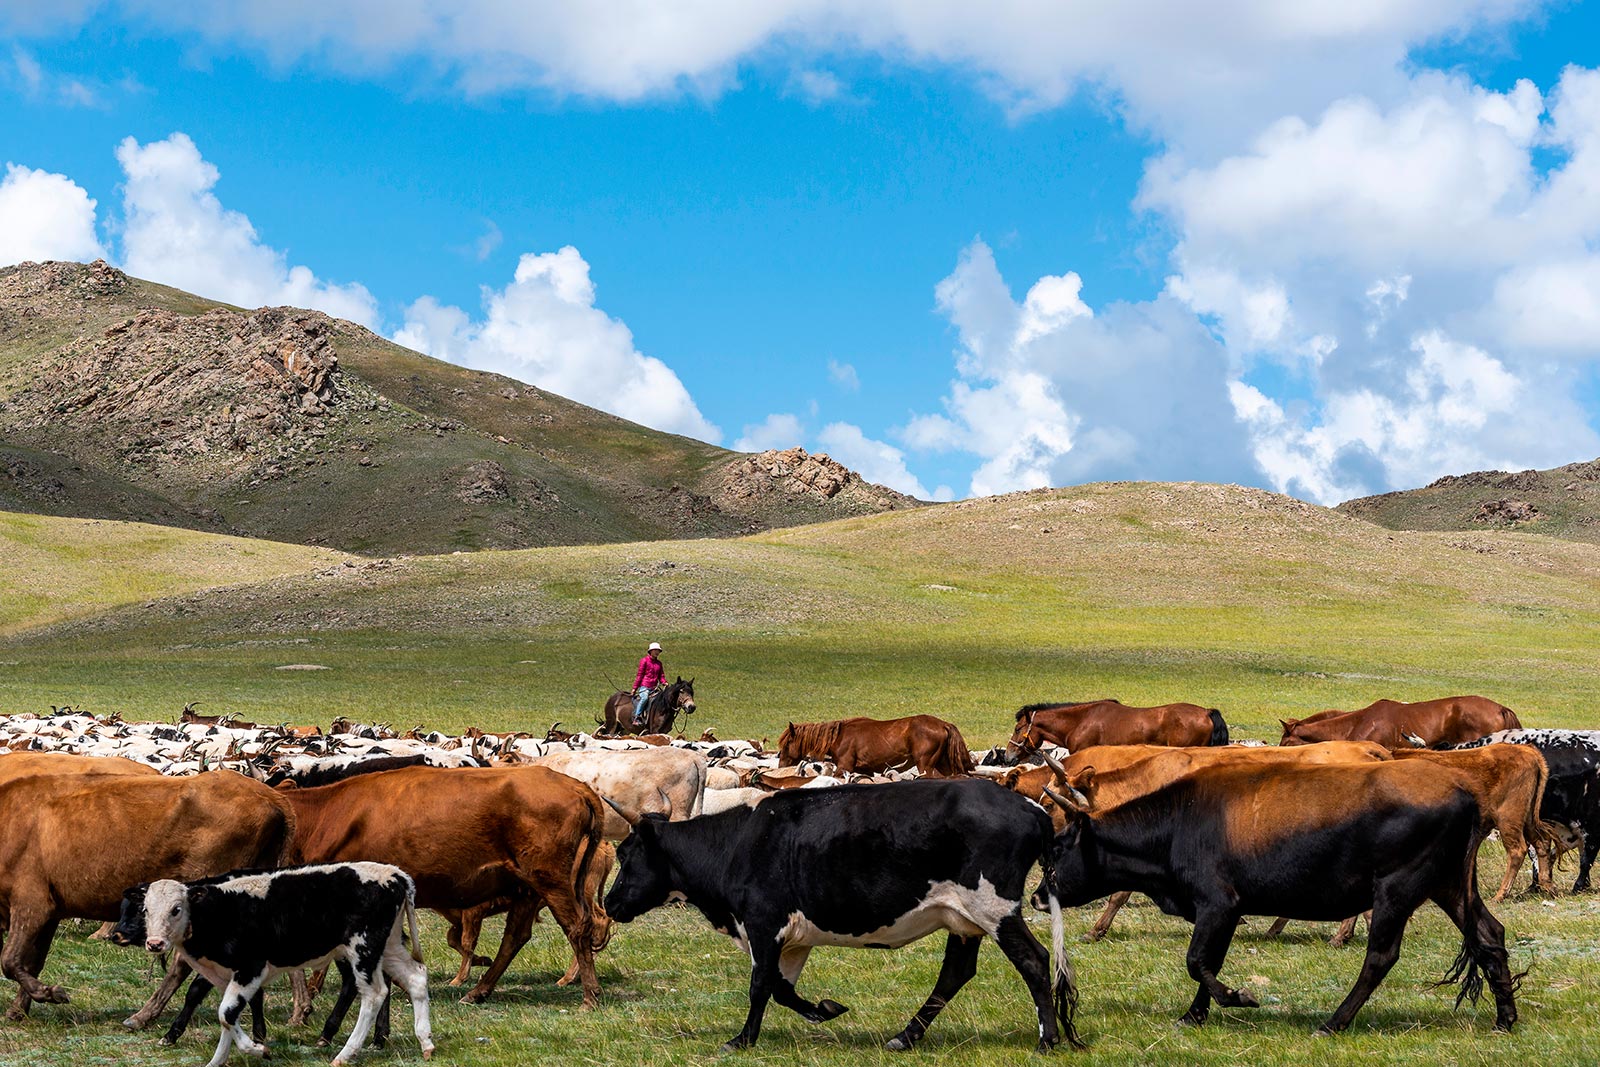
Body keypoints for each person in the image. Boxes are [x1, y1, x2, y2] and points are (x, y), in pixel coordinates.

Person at [631, 641, 666, 728]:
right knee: (644, 698)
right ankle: (637, 717)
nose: (657, 652)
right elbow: (640, 675)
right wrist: (635, 688)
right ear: (650, 651)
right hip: (645, 686)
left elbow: (661, 675)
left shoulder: (659, 663)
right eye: (655, 650)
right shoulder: (644, 661)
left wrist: (664, 682)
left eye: (658, 651)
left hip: (654, 688)